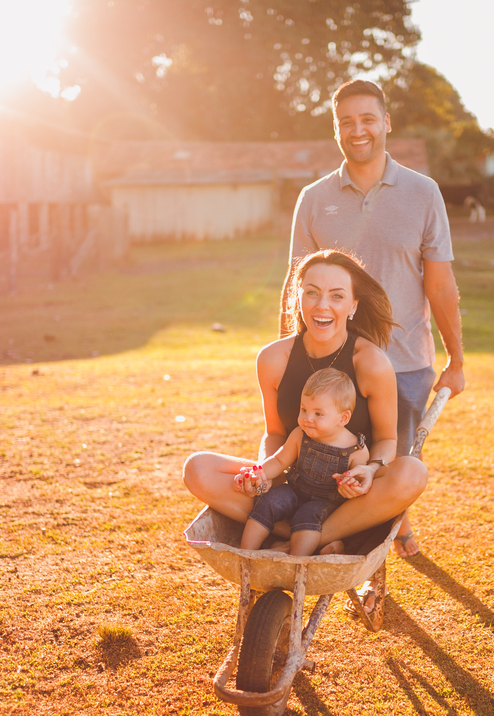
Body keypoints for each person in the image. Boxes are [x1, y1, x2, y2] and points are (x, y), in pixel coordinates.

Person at [284, 78, 465, 557]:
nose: (357, 129)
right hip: (331, 363)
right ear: (336, 130)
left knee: (389, 468)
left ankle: (379, 549)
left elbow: (440, 284)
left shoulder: (423, 193)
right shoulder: (313, 197)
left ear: (386, 123)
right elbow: (296, 285)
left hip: (404, 363)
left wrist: (457, 359)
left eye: (368, 119)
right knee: (320, 467)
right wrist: (288, 354)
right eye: (346, 121)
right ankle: (325, 542)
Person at [183, 249, 427, 555]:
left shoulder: (371, 363)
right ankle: (311, 536)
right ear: (298, 297)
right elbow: (274, 433)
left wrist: (369, 470)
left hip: (346, 496)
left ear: (353, 305)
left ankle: (299, 539)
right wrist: (265, 475)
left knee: (413, 472)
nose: (322, 305)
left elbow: (387, 439)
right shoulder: (273, 359)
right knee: (198, 468)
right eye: (312, 292)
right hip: (291, 484)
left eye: (337, 296)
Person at [236, 368, 370, 555]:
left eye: (318, 414)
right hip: (295, 491)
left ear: (343, 418)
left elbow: (358, 487)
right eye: (304, 409)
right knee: (269, 500)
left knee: (308, 516)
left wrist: (351, 485)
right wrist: (260, 472)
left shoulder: (356, 449)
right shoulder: (300, 435)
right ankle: (245, 554)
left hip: (326, 505)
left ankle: (295, 561)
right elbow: (280, 460)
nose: (307, 419)